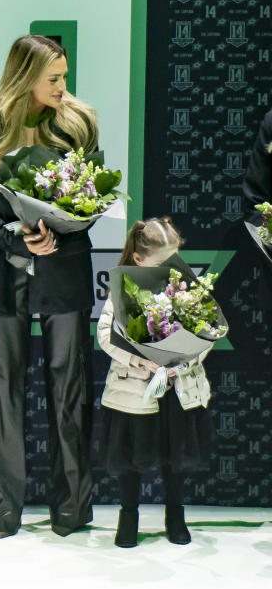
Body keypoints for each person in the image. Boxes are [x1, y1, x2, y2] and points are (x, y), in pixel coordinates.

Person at [0, 34, 99, 538]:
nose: (63, 87)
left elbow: (90, 200)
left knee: (70, 388)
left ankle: (72, 509)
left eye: (65, 77)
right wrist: (13, 236)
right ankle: (3, 511)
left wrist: (66, 222)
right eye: (54, 79)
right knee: (2, 390)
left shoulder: (78, 121)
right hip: (5, 271)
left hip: (64, 270)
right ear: (26, 77)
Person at [97, 218, 213, 547]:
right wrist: (139, 360)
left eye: (174, 259)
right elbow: (105, 335)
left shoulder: (186, 285)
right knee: (130, 461)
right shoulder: (122, 289)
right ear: (138, 259)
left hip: (177, 391)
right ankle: (128, 518)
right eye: (163, 262)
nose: (171, 267)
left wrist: (184, 362)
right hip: (135, 391)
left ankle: (175, 517)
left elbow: (207, 334)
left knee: (176, 461)